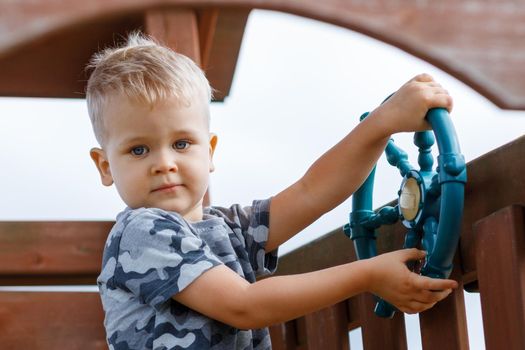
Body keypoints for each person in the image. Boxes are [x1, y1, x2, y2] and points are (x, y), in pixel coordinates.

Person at [86, 33, 458, 350]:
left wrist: (381, 124)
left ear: (209, 151)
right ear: (105, 166)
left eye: (182, 144)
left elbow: (313, 191)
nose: (164, 162)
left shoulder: (227, 228)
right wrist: (367, 275)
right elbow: (244, 305)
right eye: (139, 150)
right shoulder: (140, 232)